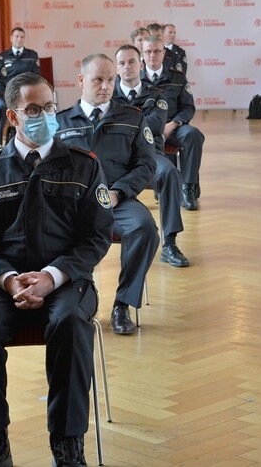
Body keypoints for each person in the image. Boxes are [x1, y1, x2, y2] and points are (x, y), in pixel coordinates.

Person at [0, 72, 114, 467]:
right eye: (33, 109)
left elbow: (97, 236)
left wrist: (52, 277)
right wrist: (9, 279)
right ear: (13, 117)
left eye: (48, 107)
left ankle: (67, 444)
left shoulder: (83, 166)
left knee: (69, 323)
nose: (44, 115)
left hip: (67, 280)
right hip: (4, 281)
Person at [56, 53, 160, 336]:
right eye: (98, 79)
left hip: (118, 201)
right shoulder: (60, 122)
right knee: (53, 231)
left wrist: (118, 192)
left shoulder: (133, 119)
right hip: (75, 206)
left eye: (110, 80)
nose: (105, 86)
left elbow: (147, 165)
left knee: (145, 228)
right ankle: (75, 300)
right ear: (81, 81)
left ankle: (122, 304)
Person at [113, 44, 190, 268]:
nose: (127, 67)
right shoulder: (109, 96)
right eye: (122, 63)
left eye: (132, 62)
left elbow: (156, 126)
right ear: (116, 68)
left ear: (141, 64)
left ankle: (170, 243)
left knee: (169, 173)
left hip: (148, 156)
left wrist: (121, 123)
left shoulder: (157, 94)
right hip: (115, 160)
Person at [141, 35, 205, 210]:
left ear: (164, 53)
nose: (152, 55)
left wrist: (174, 124)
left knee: (193, 135)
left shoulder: (177, 77)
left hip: (173, 127)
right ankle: (153, 186)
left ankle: (188, 188)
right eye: (148, 52)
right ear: (143, 54)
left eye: (156, 51)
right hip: (145, 130)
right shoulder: (134, 80)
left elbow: (188, 107)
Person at [0, 27, 41, 149]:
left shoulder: (32, 55)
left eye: (22, 37)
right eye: (16, 36)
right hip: (7, 94)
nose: (19, 39)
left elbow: (36, 76)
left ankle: (32, 141)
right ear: (11, 38)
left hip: (27, 94)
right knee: (0, 108)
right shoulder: (1, 56)